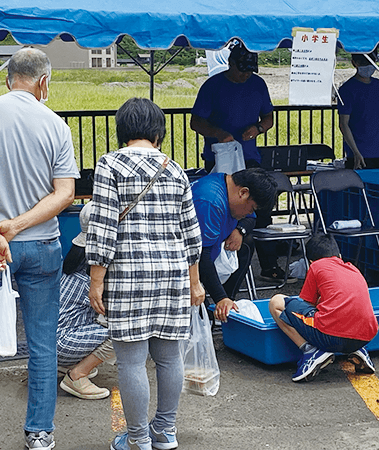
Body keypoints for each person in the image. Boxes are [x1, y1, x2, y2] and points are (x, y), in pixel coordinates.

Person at [86, 97, 205, 450]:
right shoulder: (175, 169)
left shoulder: (109, 165)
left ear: (122, 130)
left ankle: (137, 438)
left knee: (132, 361)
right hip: (171, 275)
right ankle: (165, 432)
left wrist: (96, 281)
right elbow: (191, 234)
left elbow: (102, 227)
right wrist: (194, 282)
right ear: (158, 132)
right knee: (169, 358)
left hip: (128, 276)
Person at [0, 48, 79, 450]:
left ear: (8, 78)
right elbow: (65, 193)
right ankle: (39, 433)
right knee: (42, 346)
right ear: (44, 82)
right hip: (42, 247)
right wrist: (18, 226)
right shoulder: (56, 125)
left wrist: (4, 229)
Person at [190, 41, 289, 283]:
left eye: (250, 70)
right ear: (230, 63)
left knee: (259, 209)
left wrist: (258, 128)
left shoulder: (258, 85)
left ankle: (268, 264)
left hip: (250, 158)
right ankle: (214, 261)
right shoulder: (213, 86)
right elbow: (195, 122)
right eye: (242, 69)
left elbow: (268, 117)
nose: (246, 75)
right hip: (219, 160)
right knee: (223, 207)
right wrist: (217, 132)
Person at [269, 233, 378, 382]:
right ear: (339, 255)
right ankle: (358, 350)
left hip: (330, 337)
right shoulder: (353, 269)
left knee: (276, 302)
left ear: (310, 261)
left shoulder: (316, 267)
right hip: (365, 336)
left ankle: (310, 351)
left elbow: (307, 304)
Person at [191, 168, 277, 322]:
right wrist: (220, 298)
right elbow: (200, 256)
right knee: (202, 321)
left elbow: (251, 219)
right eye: (251, 208)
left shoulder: (230, 188)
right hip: (187, 264)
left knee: (247, 244)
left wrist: (240, 230)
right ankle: (219, 306)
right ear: (243, 193)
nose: (249, 212)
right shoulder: (210, 201)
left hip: (213, 248)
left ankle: (227, 302)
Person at [57, 201, 115, 400]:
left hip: (54, 341)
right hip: (63, 343)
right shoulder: (91, 279)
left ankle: (66, 365)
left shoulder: (75, 265)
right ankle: (77, 375)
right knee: (123, 330)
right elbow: (113, 313)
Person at [338, 53, 379, 170]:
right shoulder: (346, 90)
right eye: (363, 63)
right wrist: (355, 152)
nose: (368, 66)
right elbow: (343, 124)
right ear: (354, 63)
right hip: (360, 153)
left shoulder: (377, 85)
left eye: (370, 62)